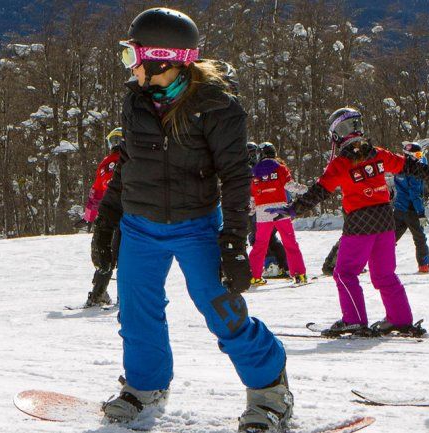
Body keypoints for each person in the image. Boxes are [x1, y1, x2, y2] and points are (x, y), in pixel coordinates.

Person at [91, 8, 292, 432]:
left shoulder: (217, 107)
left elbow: (235, 177)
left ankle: (270, 390)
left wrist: (234, 241)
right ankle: (145, 386)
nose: (130, 67)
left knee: (222, 310)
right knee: (137, 312)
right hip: (139, 226)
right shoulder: (136, 99)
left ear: (161, 59)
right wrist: (108, 222)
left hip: (195, 225)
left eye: (133, 56)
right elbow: (128, 162)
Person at [268, 107, 429, 337]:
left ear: (337, 134)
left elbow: (319, 192)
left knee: (344, 273)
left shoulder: (340, 164)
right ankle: (400, 319)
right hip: (385, 219)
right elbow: (408, 166)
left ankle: (354, 320)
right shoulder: (378, 154)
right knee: (384, 274)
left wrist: (293, 209)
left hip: (359, 222)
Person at [249, 141, 308, 286]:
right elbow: (290, 186)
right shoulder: (280, 168)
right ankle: (299, 274)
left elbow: (252, 196)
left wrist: (251, 210)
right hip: (281, 210)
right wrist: (306, 189)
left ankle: (254, 276)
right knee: (290, 242)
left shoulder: (254, 171)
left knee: (260, 245)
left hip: (262, 212)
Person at [81, 128, 123, 307]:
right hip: (123, 212)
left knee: (105, 254)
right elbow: (96, 192)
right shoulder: (127, 159)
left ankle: (100, 294)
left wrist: (89, 217)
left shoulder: (106, 164)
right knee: (117, 255)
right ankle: (115, 295)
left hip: (111, 213)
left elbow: (95, 193)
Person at [246, 141, 290, 279]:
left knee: (258, 238)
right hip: (276, 206)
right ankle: (284, 265)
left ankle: (272, 264)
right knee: (270, 238)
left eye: (252, 153)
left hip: (265, 207)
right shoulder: (271, 165)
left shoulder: (258, 168)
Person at [393, 142, 429, 273]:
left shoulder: (399, 167)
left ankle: (376, 261)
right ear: (410, 155)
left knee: (390, 238)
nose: (420, 157)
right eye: (418, 155)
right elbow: (415, 194)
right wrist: (421, 213)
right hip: (411, 210)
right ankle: (424, 265)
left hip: (399, 208)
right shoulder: (414, 172)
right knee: (420, 238)